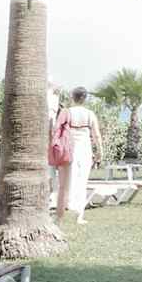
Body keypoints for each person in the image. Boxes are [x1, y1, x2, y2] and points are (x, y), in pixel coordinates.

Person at [54, 86, 100, 225]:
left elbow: (57, 129)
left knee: (67, 182)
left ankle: (64, 212)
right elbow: (96, 135)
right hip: (85, 149)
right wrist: (100, 151)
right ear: (85, 98)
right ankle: (79, 215)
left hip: (69, 148)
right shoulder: (90, 114)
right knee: (82, 181)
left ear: (72, 97)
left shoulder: (67, 112)